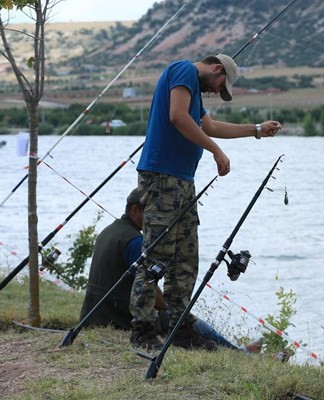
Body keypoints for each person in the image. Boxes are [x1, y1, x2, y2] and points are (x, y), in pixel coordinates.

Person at [129, 53, 281, 350]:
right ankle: (142, 330)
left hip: (182, 181)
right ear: (216, 68)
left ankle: (180, 329)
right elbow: (177, 117)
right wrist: (216, 152)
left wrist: (256, 131)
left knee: (185, 258)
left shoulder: (193, 90)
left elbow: (209, 126)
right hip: (162, 177)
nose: (215, 92)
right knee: (156, 256)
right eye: (220, 85)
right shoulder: (184, 70)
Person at [80, 188, 263, 353]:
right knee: (184, 318)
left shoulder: (109, 231)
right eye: (151, 213)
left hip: (94, 311)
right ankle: (239, 352)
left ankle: (237, 350)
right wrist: (174, 307)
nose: (156, 219)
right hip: (117, 315)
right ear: (135, 210)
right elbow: (150, 289)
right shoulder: (135, 242)